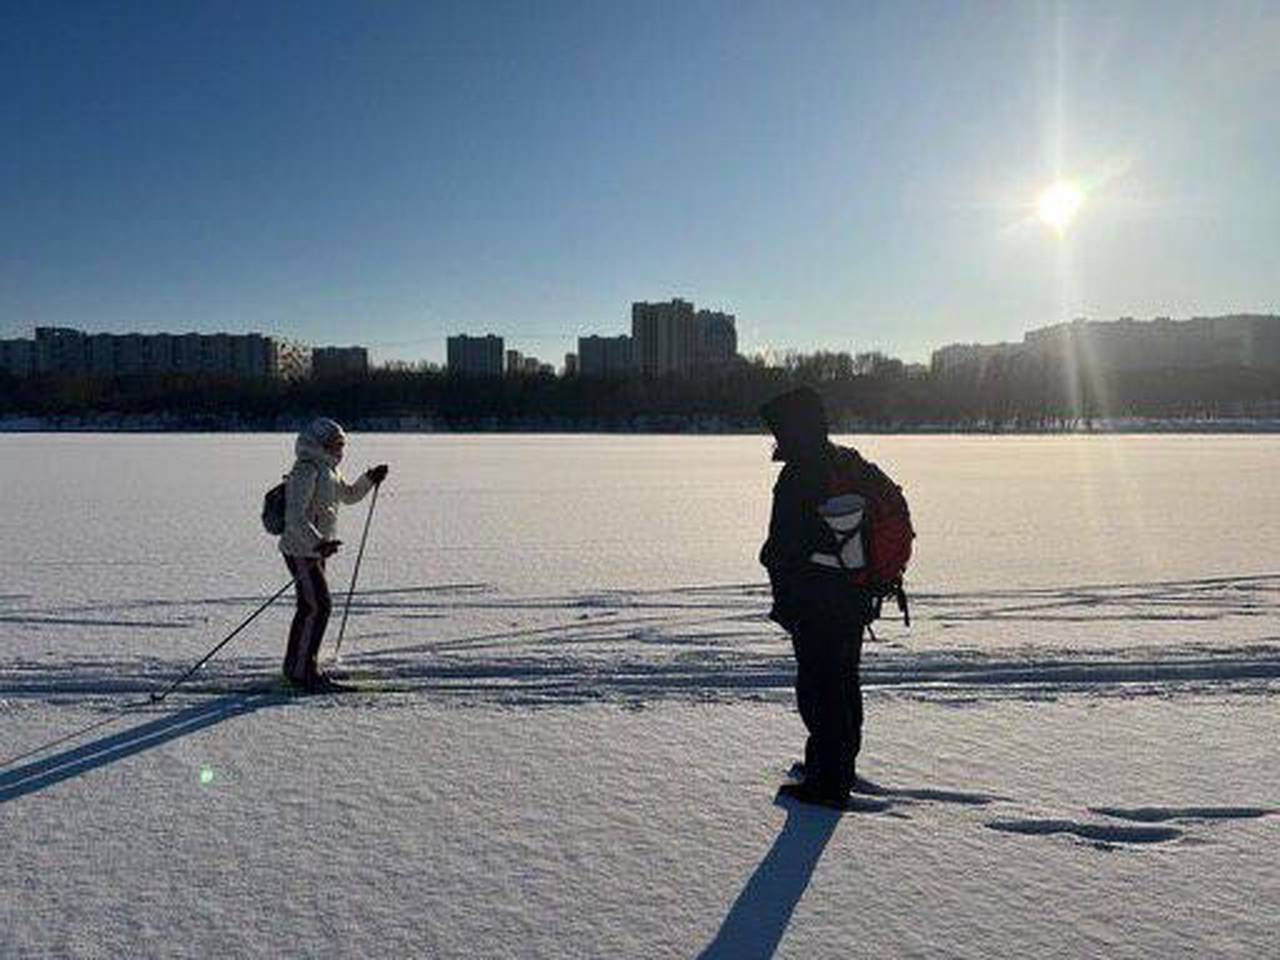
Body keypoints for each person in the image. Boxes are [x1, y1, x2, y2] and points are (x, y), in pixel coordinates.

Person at [759, 387, 870, 809]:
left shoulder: (802, 473)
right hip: (851, 596)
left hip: (819, 599)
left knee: (821, 689)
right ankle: (834, 767)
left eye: (778, 429)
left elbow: (785, 542)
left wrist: (770, 559)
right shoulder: (840, 460)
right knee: (842, 683)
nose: (774, 438)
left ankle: (828, 783)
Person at [278, 417, 389, 692]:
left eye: (342, 445)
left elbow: (349, 495)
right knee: (317, 607)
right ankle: (302, 671)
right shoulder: (306, 470)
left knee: (311, 607)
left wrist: (369, 478)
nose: (340, 450)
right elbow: (294, 517)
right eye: (334, 444)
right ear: (317, 444)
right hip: (301, 550)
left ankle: (297, 666)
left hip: (314, 550)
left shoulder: (328, 470)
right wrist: (317, 543)